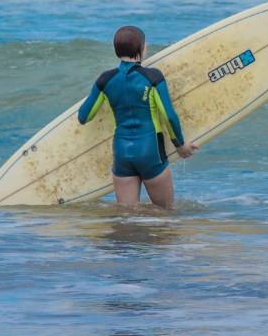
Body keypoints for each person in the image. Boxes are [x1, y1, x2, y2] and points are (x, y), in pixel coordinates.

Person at [76, 24, 199, 210]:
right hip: (150, 151)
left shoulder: (105, 80)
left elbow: (83, 116)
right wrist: (180, 146)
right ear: (141, 48)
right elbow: (169, 116)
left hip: (122, 153)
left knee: (127, 219)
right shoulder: (152, 77)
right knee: (165, 214)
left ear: (116, 50)